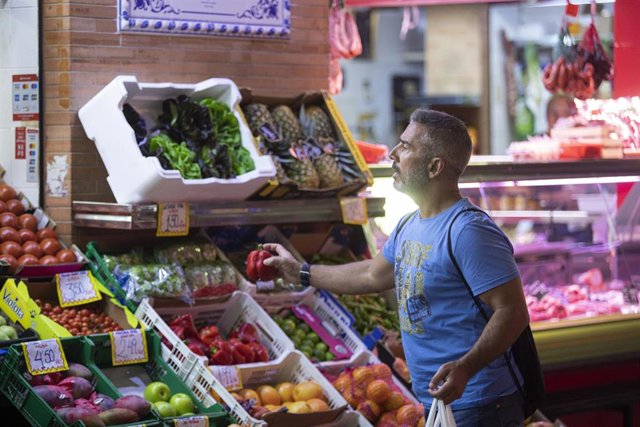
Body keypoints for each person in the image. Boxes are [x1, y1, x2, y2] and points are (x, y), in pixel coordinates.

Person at [263, 109, 530, 427]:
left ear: (434, 167)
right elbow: (371, 274)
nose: (392, 153)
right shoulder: (409, 225)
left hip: (481, 404)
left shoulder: (468, 230)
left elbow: (512, 312)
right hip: (436, 401)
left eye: (405, 146)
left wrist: (466, 367)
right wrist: (301, 272)